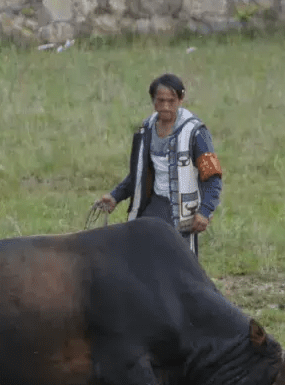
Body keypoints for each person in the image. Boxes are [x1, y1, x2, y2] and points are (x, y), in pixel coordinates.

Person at [94, 73, 223, 258]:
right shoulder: (146, 128)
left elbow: (212, 176)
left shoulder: (195, 132)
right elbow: (138, 174)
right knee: (140, 253)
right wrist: (115, 196)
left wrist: (205, 211)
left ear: (180, 99)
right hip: (155, 205)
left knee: (179, 261)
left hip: (181, 209)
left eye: (171, 101)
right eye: (160, 101)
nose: (165, 107)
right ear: (153, 101)